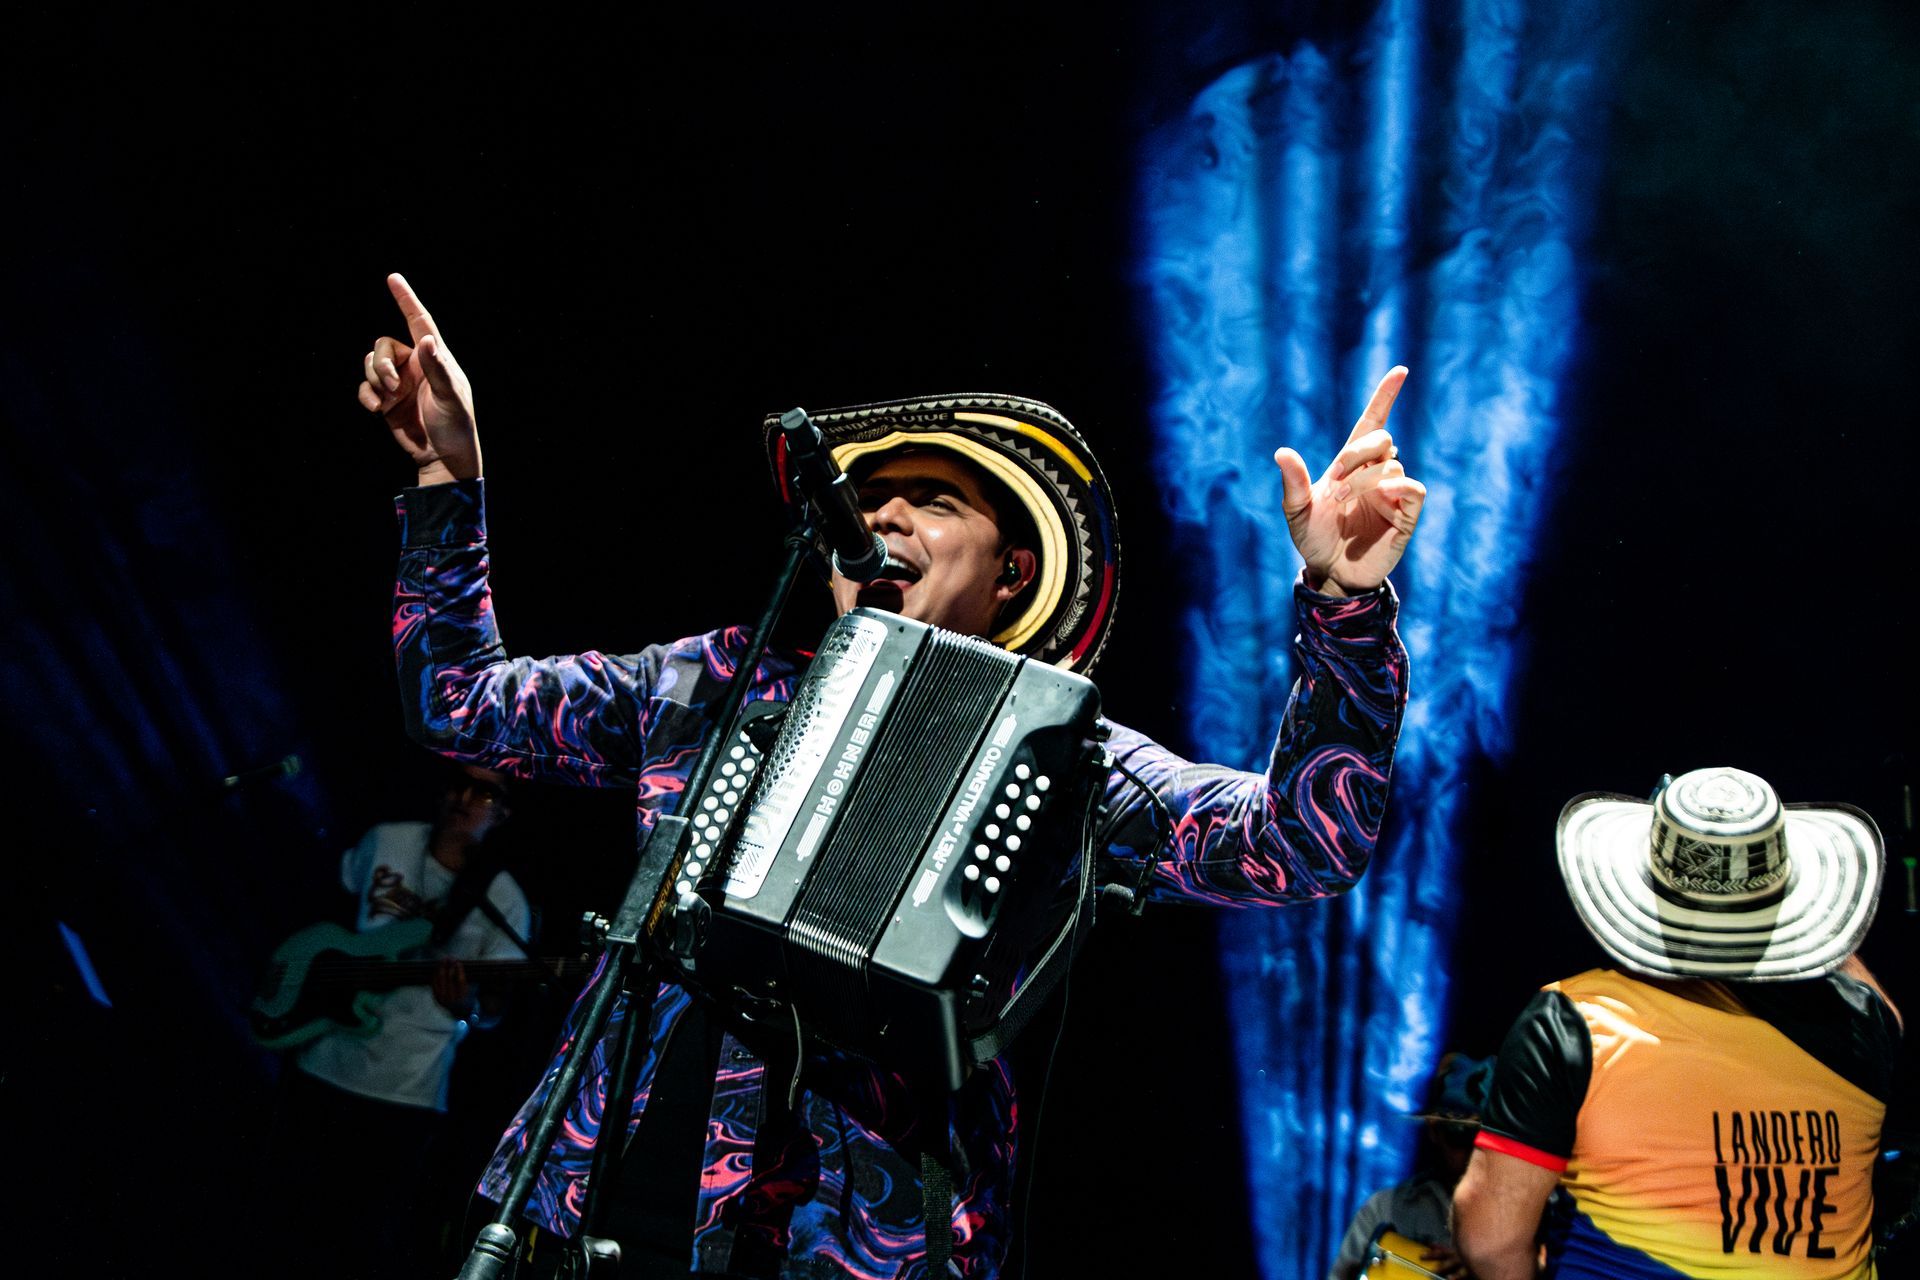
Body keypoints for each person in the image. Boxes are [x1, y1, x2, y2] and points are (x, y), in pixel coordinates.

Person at [355, 272, 1427, 1278]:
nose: (881, 519)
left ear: (1012, 569)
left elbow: (1299, 846)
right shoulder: (714, 678)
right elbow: (458, 704)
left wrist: (1342, 610)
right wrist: (449, 476)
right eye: (865, 499)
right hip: (592, 1194)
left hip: (855, 1239)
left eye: (932, 499)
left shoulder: (1068, 749)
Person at [1452, 766, 1902, 1279]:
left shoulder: (1573, 1024)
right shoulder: (1867, 1029)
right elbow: (1880, 1012)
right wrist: (1811, 922)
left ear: (1644, 893)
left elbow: (1490, 1242)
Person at [264, 761, 533, 1280]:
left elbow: (493, 1010)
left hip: (405, 1090)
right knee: (283, 1217)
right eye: (459, 783)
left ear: (501, 813)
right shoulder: (386, 840)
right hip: (321, 1055)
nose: (465, 798)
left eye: (484, 793)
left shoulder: (502, 900)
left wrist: (465, 1006)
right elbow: (329, 921)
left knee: (358, 1240)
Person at [1329, 1053, 1494, 1280]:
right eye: (1461, 1135)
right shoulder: (1384, 1209)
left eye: (1488, 1141)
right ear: (1434, 1130)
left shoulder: (1538, 1220)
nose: (1475, 1154)